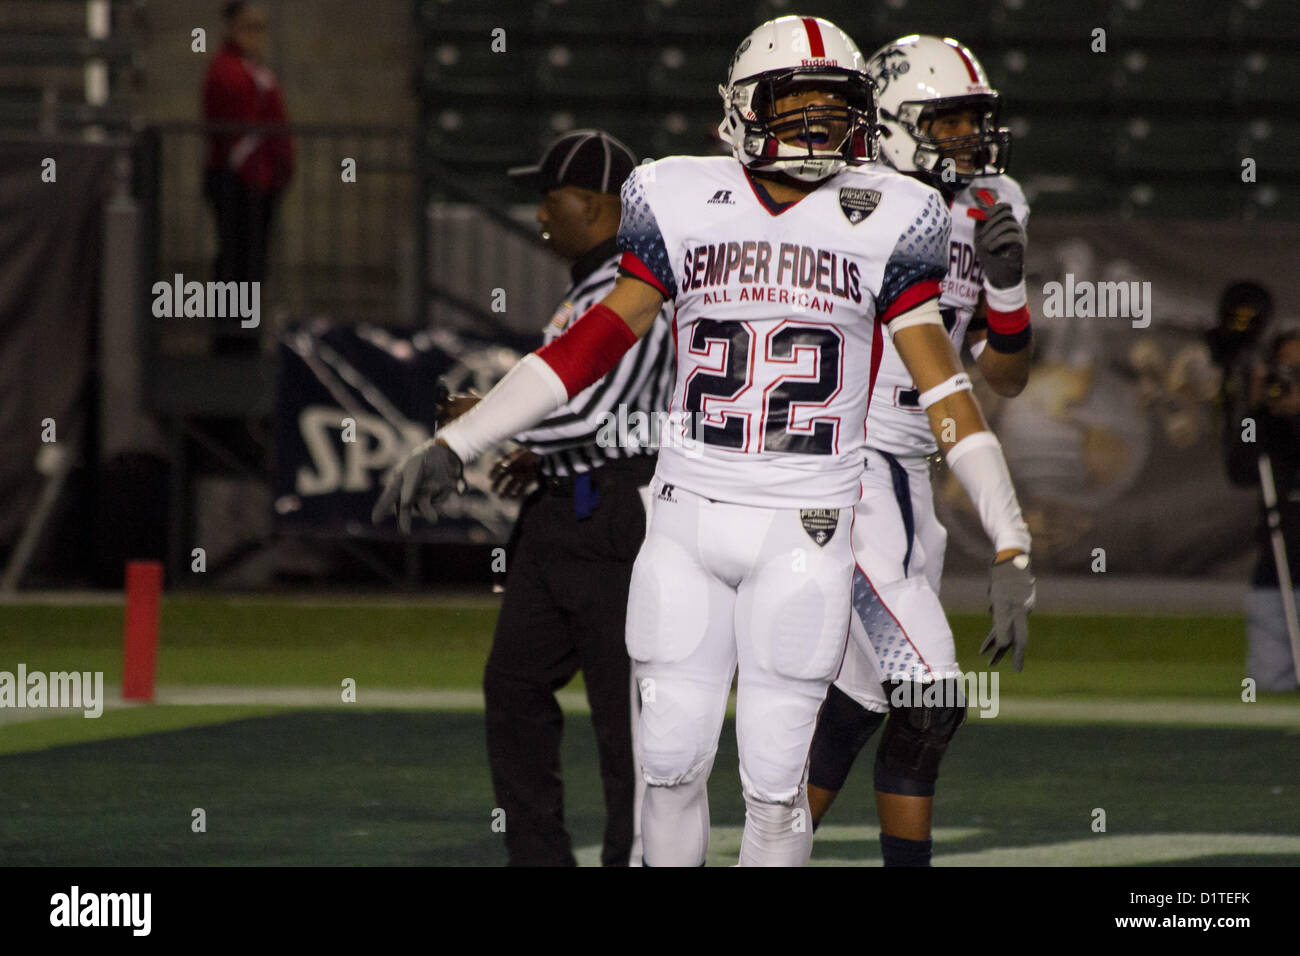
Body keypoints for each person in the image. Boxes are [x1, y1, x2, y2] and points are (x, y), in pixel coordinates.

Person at [375, 15, 1034, 866]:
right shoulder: (680, 194)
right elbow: (585, 349)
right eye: (795, 105)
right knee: (670, 759)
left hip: (808, 525)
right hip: (684, 518)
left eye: (834, 109)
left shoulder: (891, 213)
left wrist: (1011, 539)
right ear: (741, 107)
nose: (815, 125)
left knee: (771, 780)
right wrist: (464, 442)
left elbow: (948, 390)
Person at [805, 35, 1035, 866]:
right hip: (848, 462)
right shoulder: (855, 197)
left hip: (913, 471)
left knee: (865, 703)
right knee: (934, 696)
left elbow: (1001, 380)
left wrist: (1006, 291)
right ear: (899, 124)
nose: (971, 138)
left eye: (977, 119)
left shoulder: (992, 199)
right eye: (949, 120)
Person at [440, 131, 674, 866]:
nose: (540, 211)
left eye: (552, 196)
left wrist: (489, 421)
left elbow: (604, 414)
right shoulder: (588, 287)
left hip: (618, 514)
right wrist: (538, 455)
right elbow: (578, 417)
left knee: (623, 718)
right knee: (513, 687)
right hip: (564, 508)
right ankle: (538, 858)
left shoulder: (640, 292)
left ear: (598, 205)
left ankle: (632, 858)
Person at [202, 0, 294, 354]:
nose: (257, 37)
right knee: (237, 266)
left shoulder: (252, 70)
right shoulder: (227, 72)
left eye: (260, 29)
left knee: (250, 268)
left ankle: (244, 338)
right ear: (232, 29)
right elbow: (241, 136)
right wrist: (257, 175)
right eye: (249, 28)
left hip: (257, 183)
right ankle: (232, 344)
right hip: (240, 185)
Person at [1225, 312, 1300, 692]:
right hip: (1279, 567)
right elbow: (1240, 468)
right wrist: (1252, 410)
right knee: (1270, 683)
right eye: (1286, 368)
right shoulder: (1267, 420)